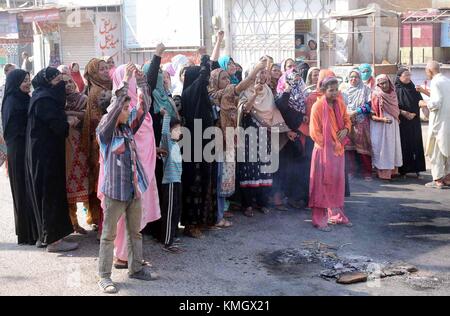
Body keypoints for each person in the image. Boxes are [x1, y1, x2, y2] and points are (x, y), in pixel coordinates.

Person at [97, 63, 157, 295]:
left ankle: (136, 268)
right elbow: (115, 109)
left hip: (133, 191)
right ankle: (104, 277)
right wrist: (125, 81)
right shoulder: (106, 131)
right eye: (124, 108)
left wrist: (140, 82)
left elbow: (144, 106)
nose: (127, 110)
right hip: (115, 192)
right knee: (108, 236)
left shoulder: (129, 128)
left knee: (135, 232)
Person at [208, 58, 268, 227]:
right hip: (216, 143)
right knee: (218, 178)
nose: (228, 81)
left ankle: (220, 212)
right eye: (224, 78)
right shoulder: (217, 94)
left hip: (227, 140)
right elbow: (240, 87)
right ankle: (217, 216)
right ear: (215, 81)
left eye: (228, 78)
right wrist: (256, 69)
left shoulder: (222, 95)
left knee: (223, 178)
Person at [26, 67, 79, 252]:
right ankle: (54, 241)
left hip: (44, 153)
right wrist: (69, 123)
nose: (61, 85)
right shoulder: (45, 100)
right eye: (57, 81)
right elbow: (57, 126)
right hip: (46, 156)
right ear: (47, 82)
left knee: (46, 193)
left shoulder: (42, 96)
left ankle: (46, 235)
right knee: (50, 194)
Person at [238, 64, 290, 218]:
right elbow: (245, 110)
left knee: (264, 169)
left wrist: (282, 129)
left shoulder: (268, 91)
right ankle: (247, 205)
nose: (261, 76)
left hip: (265, 135)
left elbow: (274, 112)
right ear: (251, 75)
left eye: (264, 74)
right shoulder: (244, 91)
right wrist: (254, 94)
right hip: (249, 135)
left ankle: (262, 203)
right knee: (249, 170)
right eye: (258, 73)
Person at [309, 76, 352, 232]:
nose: (334, 93)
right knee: (321, 185)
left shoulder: (340, 104)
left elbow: (347, 120)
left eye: (336, 90)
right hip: (323, 152)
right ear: (323, 91)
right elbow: (314, 133)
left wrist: (346, 130)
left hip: (338, 151)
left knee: (337, 184)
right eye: (331, 90)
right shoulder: (317, 106)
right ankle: (318, 219)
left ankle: (336, 215)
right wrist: (331, 144)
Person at [181, 55, 217, 239]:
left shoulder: (202, 97)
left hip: (205, 144)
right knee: (193, 185)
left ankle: (203, 220)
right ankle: (191, 224)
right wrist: (205, 63)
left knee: (205, 183)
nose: (206, 84)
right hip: (193, 146)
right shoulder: (189, 93)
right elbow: (203, 78)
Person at [1, 69, 38, 245]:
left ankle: (32, 231)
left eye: (28, 79)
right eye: (24, 80)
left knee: (29, 190)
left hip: (26, 148)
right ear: (15, 82)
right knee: (22, 190)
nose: (27, 83)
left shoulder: (23, 98)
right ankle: (26, 234)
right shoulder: (11, 101)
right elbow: (11, 130)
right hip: (18, 150)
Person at [82, 58, 113, 232]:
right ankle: (103, 225)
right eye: (101, 69)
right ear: (94, 72)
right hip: (99, 144)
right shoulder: (97, 91)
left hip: (102, 142)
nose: (105, 71)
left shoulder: (105, 87)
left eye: (107, 68)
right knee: (103, 183)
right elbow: (96, 120)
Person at [274, 68, 308, 210]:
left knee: (296, 169)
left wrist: (302, 119)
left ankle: (294, 198)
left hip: (297, 135)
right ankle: (277, 199)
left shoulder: (301, 94)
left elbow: (301, 111)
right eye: (293, 78)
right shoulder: (281, 93)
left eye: (298, 78)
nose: (296, 80)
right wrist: (287, 89)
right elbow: (280, 107)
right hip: (283, 136)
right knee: (281, 169)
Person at [63, 74, 89, 235]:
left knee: (86, 183)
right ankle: (73, 223)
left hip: (82, 147)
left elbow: (87, 115)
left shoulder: (83, 99)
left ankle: (91, 219)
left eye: (70, 82)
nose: (68, 85)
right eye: (64, 83)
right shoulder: (58, 101)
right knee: (68, 186)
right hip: (66, 150)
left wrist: (68, 113)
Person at [419, 61, 450, 189]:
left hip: (438, 123)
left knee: (436, 150)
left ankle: (438, 179)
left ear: (430, 71)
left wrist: (423, 103)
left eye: (426, 71)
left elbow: (436, 103)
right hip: (447, 121)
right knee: (447, 149)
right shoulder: (447, 80)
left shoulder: (436, 82)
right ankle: (447, 177)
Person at [159, 111, 184, 253]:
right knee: (169, 212)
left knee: (175, 210)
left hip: (177, 182)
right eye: (176, 129)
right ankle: (167, 242)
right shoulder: (167, 143)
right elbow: (164, 134)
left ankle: (173, 235)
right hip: (170, 183)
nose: (179, 131)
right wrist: (166, 115)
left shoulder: (175, 144)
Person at [395, 68, 426, 178]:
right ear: (399, 77)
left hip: (414, 121)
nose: (408, 77)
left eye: (409, 75)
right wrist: (404, 113)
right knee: (404, 144)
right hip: (402, 122)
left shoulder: (413, 88)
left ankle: (417, 168)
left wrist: (425, 106)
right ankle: (403, 170)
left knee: (416, 144)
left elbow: (419, 101)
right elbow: (393, 106)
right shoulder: (395, 90)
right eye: (406, 75)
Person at [342, 68, 373, 181]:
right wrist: (347, 114)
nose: (353, 79)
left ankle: (367, 172)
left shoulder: (366, 90)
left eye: (356, 77)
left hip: (361, 121)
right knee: (349, 148)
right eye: (351, 77)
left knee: (363, 147)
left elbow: (369, 105)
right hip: (347, 121)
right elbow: (340, 105)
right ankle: (351, 171)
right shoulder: (343, 90)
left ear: (360, 78)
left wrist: (356, 112)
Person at [371, 74, 403, 180]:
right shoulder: (376, 95)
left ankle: (392, 171)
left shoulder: (393, 94)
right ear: (378, 85)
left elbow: (396, 109)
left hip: (392, 124)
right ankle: (383, 173)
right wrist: (383, 120)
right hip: (381, 126)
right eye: (381, 83)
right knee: (383, 148)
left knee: (393, 146)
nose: (384, 85)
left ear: (390, 82)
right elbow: (372, 115)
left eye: (386, 82)